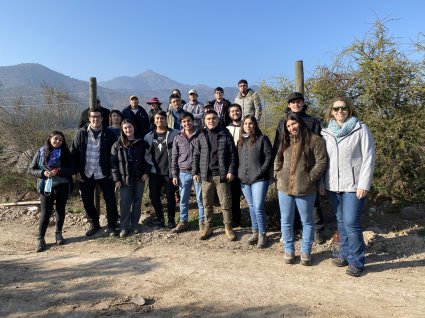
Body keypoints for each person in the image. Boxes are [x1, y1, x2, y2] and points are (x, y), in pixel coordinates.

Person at [320, 96, 376, 277]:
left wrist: (364, 184)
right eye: (336, 109)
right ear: (331, 111)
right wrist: (322, 183)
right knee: (341, 222)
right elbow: (323, 161)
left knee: (351, 222)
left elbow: (369, 158)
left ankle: (357, 261)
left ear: (349, 109)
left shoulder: (361, 129)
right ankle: (344, 254)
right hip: (333, 186)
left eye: (343, 108)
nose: (340, 111)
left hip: (354, 186)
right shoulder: (326, 132)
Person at [273, 92, 326, 244]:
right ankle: (294, 230)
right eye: (293, 102)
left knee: (313, 203)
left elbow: (319, 150)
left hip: (307, 172)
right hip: (287, 172)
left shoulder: (313, 121)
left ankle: (318, 231)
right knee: (288, 205)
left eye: (298, 101)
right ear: (289, 105)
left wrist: (313, 177)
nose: (296, 104)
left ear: (303, 103)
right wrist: (277, 172)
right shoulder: (282, 122)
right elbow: (278, 145)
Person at [72, 109, 119, 237]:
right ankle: (94, 224)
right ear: (89, 118)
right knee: (87, 200)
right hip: (86, 172)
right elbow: (74, 153)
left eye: (98, 117)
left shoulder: (109, 133)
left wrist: (113, 171)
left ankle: (112, 225)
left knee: (110, 200)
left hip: (104, 172)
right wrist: (76, 171)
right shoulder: (81, 133)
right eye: (93, 117)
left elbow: (115, 154)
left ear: (102, 118)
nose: (95, 119)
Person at [193, 109, 238, 241]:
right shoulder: (201, 135)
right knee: (207, 203)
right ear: (204, 121)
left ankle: (228, 227)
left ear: (218, 120)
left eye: (213, 118)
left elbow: (233, 155)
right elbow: (196, 155)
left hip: (222, 175)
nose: (211, 121)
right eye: (208, 119)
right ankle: (208, 226)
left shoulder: (225, 133)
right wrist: (195, 172)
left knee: (225, 203)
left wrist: (231, 171)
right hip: (206, 175)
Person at [30, 131, 74, 252]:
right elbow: (32, 169)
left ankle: (58, 233)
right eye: (56, 139)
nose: (58, 141)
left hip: (62, 186)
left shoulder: (65, 153)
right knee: (45, 213)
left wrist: (59, 170)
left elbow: (72, 169)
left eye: (60, 140)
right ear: (49, 139)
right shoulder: (41, 152)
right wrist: (43, 173)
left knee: (60, 210)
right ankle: (40, 238)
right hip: (46, 186)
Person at [111, 119, 150, 238]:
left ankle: (135, 225)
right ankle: (124, 227)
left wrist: (146, 172)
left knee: (137, 202)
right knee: (125, 203)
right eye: (125, 128)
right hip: (124, 179)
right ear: (122, 130)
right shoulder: (117, 145)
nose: (128, 130)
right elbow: (113, 164)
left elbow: (147, 159)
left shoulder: (142, 143)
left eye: (130, 127)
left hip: (139, 177)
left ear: (134, 127)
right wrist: (116, 179)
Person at [237, 115, 273, 248]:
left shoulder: (262, 139)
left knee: (258, 206)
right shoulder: (240, 142)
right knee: (251, 206)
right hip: (244, 180)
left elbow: (269, 157)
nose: (248, 126)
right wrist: (238, 173)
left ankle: (263, 234)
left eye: (250, 123)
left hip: (259, 179)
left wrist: (261, 171)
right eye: (245, 124)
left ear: (255, 125)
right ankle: (255, 232)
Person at [144, 110, 179, 228]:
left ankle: (171, 219)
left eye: (162, 118)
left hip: (169, 171)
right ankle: (160, 218)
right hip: (155, 172)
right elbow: (146, 155)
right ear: (154, 120)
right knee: (154, 196)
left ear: (166, 120)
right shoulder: (148, 136)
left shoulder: (175, 134)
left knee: (170, 197)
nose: (160, 121)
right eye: (157, 118)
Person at [171, 111, 204, 233]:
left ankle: (202, 221)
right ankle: (183, 221)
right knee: (183, 199)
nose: (187, 123)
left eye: (189, 120)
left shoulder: (200, 135)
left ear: (192, 121)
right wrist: (175, 174)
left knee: (201, 199)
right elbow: (174, 157)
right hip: (183, 172)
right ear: (181, 123)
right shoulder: (178, 138)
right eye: (184, 122)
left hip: (198, 172)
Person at [226, 103, 243, 227]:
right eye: (232, 111)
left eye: (237, 111)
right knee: (234, 194)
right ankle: (235, 219)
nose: (235, 113)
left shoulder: (246, 126)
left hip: (245, 164)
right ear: (229, 114)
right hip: (232, 165)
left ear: (241, 112)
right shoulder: (227, 129)